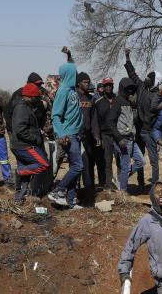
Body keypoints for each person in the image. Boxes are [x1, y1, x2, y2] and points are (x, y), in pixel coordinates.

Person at [48, 48, 85, 209]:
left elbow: (71, 66)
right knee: (78, 166)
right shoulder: (63, 91)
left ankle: (70, 202)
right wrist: (61, 134)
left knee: (74, 168)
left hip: (76, 134)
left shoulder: (71, 89)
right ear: (69, 75)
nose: (76, 75)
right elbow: (55, 115)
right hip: (68, 135)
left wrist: (69, 55)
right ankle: (58, 191)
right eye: (74, 73)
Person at [124, 48, 162, 189]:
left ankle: (154, 185)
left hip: (151, 132)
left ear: (155, 81)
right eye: (146, 77)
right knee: (138, 158)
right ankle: (140, 182)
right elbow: (132, 74)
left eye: (149, 78)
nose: (146, 79)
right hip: (139, 131)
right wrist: (127, 58)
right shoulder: (141, 88)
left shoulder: (158, 96)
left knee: (153, 160)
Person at [12, 83, 51, 203]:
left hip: (21, 144)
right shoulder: (22, 108)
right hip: (24, 145)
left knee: (26, 174)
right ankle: (17, 172)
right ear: (29, 96)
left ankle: (19, 199)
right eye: (36, 97)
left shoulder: (26, 106)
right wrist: (36, 138)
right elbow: (20, 130)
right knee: (43, 164)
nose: (38, 100)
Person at [74, 71, 101, 205]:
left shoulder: (91, 99)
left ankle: (88, 192)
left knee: (89, 164)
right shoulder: (74, 98)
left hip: (88, 137)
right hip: (76, 137)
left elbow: (94, 119)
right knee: (79, 165)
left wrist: (96, 135)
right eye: (85, 82)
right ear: (79, 83)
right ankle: (79, 193)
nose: (87, 84)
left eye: (88, 82)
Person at [112, 78, 145, 191]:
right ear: (122, 89)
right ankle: (123, 192)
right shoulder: (117, 101)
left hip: (131, 138)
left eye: (132, 89)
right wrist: (118, 138)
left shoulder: (129, 102)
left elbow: (133, 120)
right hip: (123, 139)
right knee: (125, 166)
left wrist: (133, 105)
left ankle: (120, 179)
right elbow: (110, 121)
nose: (130, 91)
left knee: (141, 161)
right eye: (128, 89)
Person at [95, 77, 118, 190]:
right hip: (105, 135)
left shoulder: (118, 100)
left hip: (117, 135)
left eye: (110, 85)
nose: (108, 87)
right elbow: (97, 121)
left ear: (113, 86)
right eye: (106, 85)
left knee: (119, 160)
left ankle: (119, 183)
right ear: (103, 88)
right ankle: (109, 183)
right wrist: (99, 137)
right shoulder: (98, 103)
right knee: (107, 160)